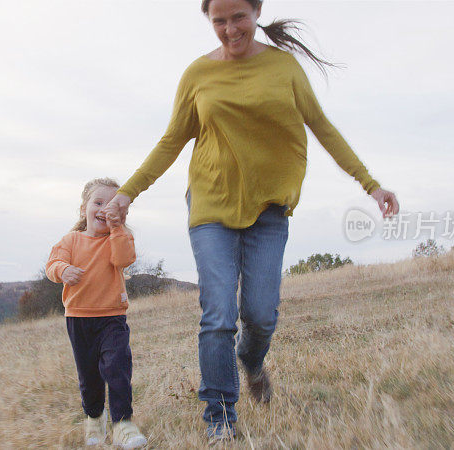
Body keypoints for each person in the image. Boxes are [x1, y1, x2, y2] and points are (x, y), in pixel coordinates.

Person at [103, 0, 400, 443]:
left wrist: (370, 184)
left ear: (257, 10)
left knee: (259, 315)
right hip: (211, 204)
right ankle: (220, 416)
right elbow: (171, 140)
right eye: (218, 20)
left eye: (238, 17)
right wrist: (129, 190)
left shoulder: (285, 68)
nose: (229, 29)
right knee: (218, 312)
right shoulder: (197, 75)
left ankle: (252, 362)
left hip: (269, 209)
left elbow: (321, 126)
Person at [45, 177, 147, 448]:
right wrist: (62, 270)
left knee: (117, 369)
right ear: (84, 209)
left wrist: (117, 227)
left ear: (121, 211)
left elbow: (123, 259)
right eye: (98, 202)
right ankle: (95, 417)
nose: (104, 209)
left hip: (112, 317)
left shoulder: (119, 238)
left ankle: (123, 424)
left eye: (111, 205)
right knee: (89, 377)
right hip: (78, 319)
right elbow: (52, 264)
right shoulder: (71, 240)